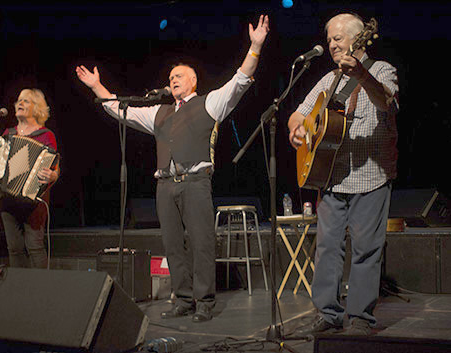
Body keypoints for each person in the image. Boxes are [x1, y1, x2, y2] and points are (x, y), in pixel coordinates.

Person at [76, 15, 270, 322]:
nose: (173, 80)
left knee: (201, 242)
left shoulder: (210, 103)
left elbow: (240, 81)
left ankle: (204, 301)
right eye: (170, 77)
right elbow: (120, 109)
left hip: (195, 182)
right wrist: (97, 85)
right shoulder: (159, 112)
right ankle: (183, 300)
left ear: (193, 81)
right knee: (172, 245)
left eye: (179, 75)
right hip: (165, 185)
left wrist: (255, 46)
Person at [288, 13, 399, 335]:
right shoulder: (328, 80)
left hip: (371, 175)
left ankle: (360, 318)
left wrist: (362, 74)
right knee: (327, 247)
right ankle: (328, 313)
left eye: (338, 38)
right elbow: (299, 114)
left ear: (358, 39)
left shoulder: (380, 70)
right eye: (330, 38)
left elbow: (385, 101)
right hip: (331, 177)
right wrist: (296, 130)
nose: (332, 44)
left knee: (366, 248)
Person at [0, 88, 60, 269]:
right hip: (8, 199)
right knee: (14, 248)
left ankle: (42, 293)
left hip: (34, 202)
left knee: (35, 247)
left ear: (37, 108)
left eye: (26, 100)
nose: (20, 103)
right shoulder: (7, 134)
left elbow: (55, 167)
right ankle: (21, 291)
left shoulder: (46, 135)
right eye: (19, 100)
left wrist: (53, 175)